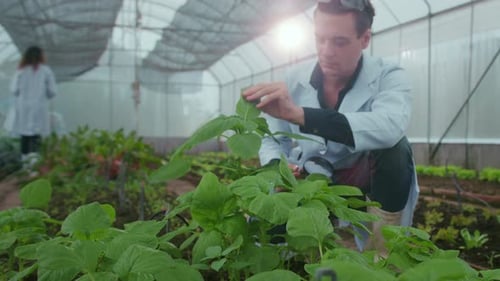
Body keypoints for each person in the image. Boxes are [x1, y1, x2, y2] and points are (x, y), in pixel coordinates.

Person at [242, 0, 419, 255]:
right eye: (320, 39)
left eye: (339, 42)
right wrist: (276, 168)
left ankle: (380, 254)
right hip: (309, 177)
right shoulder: (294, 79)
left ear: (365, 39)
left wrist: (302, 115)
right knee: (269, 243)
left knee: (396, 150)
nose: (326, 51)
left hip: (361, 181)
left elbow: (390, 126)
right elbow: (270, 135)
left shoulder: (388, 76)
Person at [10, 45, 57, 170]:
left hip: (24, 108)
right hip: (39, 108)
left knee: (25, 136)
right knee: (36, 136)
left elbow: (14, 90)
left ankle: (26, 167)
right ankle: (34, 166)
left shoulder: (20, 71)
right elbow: (52, 92)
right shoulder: (46, 71)